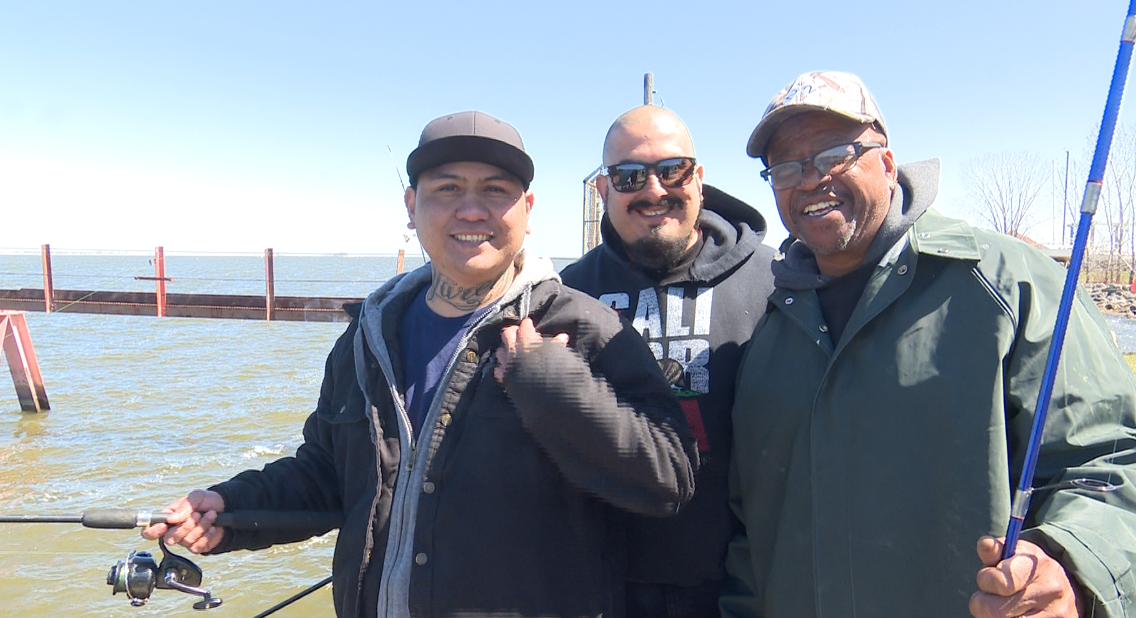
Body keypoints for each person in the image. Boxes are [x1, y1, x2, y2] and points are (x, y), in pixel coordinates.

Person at [142, 110, 698, 618]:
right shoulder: (369, 333)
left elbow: (668, 480)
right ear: (412, 207)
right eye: (447, 189)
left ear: (527, 211)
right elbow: (328, 475)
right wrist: (229, 507)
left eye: (495, 190)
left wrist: (554, 385)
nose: (472, 209)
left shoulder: (587, 328)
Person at [722, 70, 1136, 618]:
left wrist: (1071, 568)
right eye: (785, 167)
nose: (808, 180)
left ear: (887, 163)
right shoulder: (771, 328)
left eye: (833, 155)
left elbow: (1111, 458)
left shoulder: (1007, 284)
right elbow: (752, 530)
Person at [560, 106, 776, 618]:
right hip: (599, 589)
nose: (654, 190)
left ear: (698, 178)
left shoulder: (776, 285)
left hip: (744, 588)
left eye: (672, 169)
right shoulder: (566, 295)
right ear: (603, 190)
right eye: (629, 175)